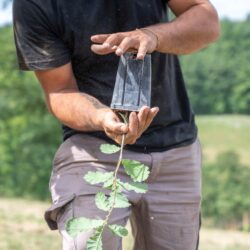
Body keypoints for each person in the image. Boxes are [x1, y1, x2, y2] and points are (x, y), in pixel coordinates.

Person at [13, 0, 220, 249]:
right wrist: (102, 118)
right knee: (90, 242)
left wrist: (152, 36)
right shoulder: (35, 4)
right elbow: (59, 92)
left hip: (175, 148)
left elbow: (206, 21)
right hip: (91, 148)